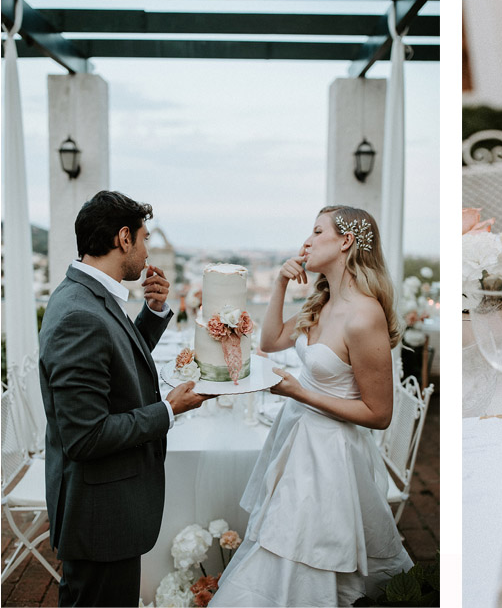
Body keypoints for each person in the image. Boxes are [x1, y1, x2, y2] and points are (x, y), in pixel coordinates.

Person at [211, 206, 413, 607]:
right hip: (296, 437)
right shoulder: (321, 303)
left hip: (331, 454)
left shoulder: (363, 315)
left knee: (303, 554)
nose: (306, 240)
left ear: (345, 242)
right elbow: (270, 342)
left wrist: (300, 393)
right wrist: (281, 285)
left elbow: (379, 414)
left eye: (317, 231)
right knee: (278, 541)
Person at [38, 190, 209, 607]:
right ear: (123, 239)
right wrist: (169, 410)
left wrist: (153, 311)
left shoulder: (89, 295)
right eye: (144, 237)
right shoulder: (79, 314)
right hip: (99, 513)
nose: (148, 250)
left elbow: (115, 363)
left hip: (103, 505)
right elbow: (86, 436)